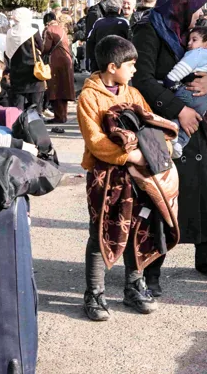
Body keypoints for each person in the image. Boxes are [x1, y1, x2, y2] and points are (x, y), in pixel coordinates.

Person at [133, 0, 207, 292]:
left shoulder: (186, 35)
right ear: (181, 7)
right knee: (161, 195)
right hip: (163, 124)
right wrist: (179, 109)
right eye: (197, 7)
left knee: (202, 190)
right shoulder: (149, 31)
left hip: (192, 127)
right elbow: (142, 79)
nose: (201, 14)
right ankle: (151, 268)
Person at [77, 35, 161, 319]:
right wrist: (130, 156)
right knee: (101, 231)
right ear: (112, 67)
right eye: (131, 64)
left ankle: (134, 286)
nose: (135, 70)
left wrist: (159, 151)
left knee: (137, 227)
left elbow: (150, 123)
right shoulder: (89, 97)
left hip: (137, 178)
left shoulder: (133, 93)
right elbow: (96, 141)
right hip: (106, 176)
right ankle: (95, 293)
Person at [164, 26, 207, 158]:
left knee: (177, 111)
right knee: (193, 121)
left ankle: (172, 129)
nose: (189, 43)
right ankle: (180, 142)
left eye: (194, 39)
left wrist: (171, 81)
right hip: (204, 100)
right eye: (189, 40)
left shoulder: (196, 53)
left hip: (188, 91)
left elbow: (183, 67)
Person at [5, 8, 46, 112]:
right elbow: (42, 48)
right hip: (34, 73)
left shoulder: (10, 33)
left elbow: (7, 53)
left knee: (17, 109)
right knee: (36, 108)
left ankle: (19, 127)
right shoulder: (33, 32)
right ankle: (35, 126)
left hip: (17, 74)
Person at [42, 14, 76, 124]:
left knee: (56, 89)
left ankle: (59, 116)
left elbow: (46, 47)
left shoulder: (49, 29)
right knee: (64, 89)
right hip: (66, 60)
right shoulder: (62, 29)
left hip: (56, 61)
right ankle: (63, 115)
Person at [86, 0, 133, 71]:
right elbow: (130, 41)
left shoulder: (98, 22)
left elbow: (90, 41)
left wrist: (92, 61)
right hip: (118, 63)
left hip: (100, 62)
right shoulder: (124, 22)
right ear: (119, 10)